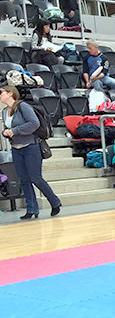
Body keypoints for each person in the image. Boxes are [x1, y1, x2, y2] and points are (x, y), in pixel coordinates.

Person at [0, 85, 61, 219]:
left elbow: (34, 123)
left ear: (10, 93)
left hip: (31, 146)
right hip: (16, 148)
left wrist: (14, 131)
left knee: (36, 178)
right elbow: (6, 127)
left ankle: (54, 201)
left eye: (1, 92)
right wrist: (5, 132)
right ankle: (31, 209)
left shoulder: (23, 106)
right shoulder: (4, 111)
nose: (0, 95)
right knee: (23, 179)